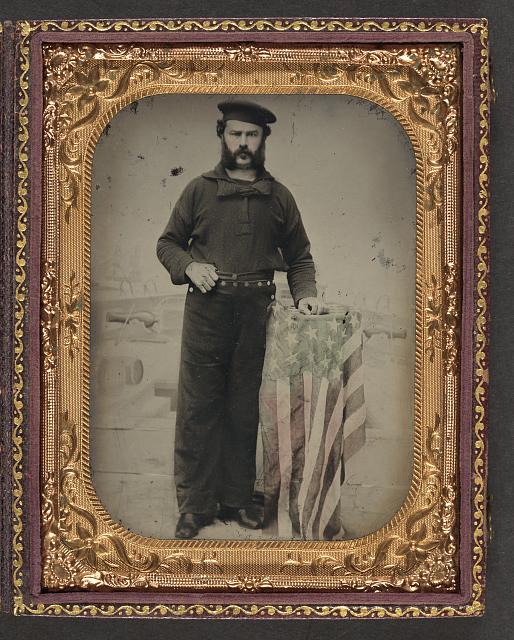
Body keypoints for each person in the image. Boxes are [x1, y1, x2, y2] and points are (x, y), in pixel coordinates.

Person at [156, 99, 324, 539]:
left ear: (264, 139)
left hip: (257, 313)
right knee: (198, 409)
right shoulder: (197, 189)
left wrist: (305, 295)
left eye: (252, 135)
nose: (243, 143)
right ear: (222, 135)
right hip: (207, 312)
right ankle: (194, 506)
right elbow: (168, 243)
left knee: (244, 407)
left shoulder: (280, 197)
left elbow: (301, 258)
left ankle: (234, 499)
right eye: (236, 134)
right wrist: (190, 266)